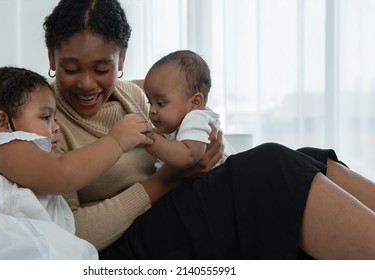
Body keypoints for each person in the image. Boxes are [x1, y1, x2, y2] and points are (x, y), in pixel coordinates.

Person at [44, 0, 375, 259]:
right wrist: (166, 181)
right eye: (71, 69)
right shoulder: (46, 121)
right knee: (269, 166)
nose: (87, 83)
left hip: (174, 210)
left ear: (121, 59)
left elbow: (184, 96)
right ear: (51, 57)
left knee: (301, 160)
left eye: (102, 68)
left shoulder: (132, 94)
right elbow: (71, 232)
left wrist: (202, 133)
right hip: (124, 245)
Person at [0, 66, 152, 259]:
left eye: (55, 118)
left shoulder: (6, 150)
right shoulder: (0, 145)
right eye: (45, 117)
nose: (55, 127)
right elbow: (62, 174)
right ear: (3, 123)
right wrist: (115, 141)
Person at [143, 50, 234, 169]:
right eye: (150, 103)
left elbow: (188, 155)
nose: (152, 110)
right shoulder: (176, 124)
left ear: (195, 103)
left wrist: (150, 140)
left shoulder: (195, 118)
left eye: (160, 103)